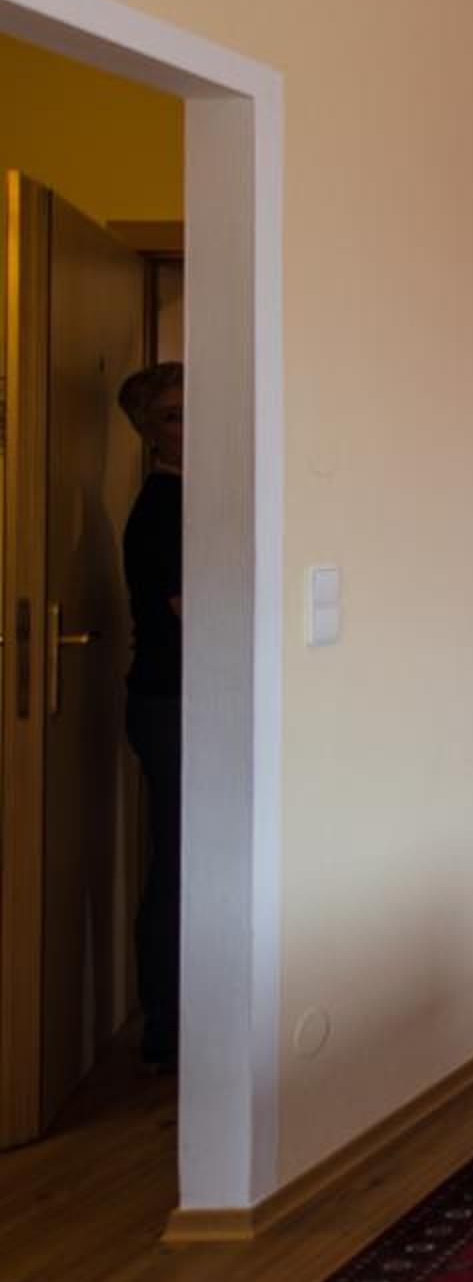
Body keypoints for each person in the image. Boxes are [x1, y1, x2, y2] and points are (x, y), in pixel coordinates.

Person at [117, 363, 181, 1072]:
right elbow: (197, 610)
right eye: (173, 415)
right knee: (181, 858)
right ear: (149, 433)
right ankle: (166, 1024)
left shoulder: (195, 497)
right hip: (170, 704)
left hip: (184, 700)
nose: (191, 426)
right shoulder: (162, 508)